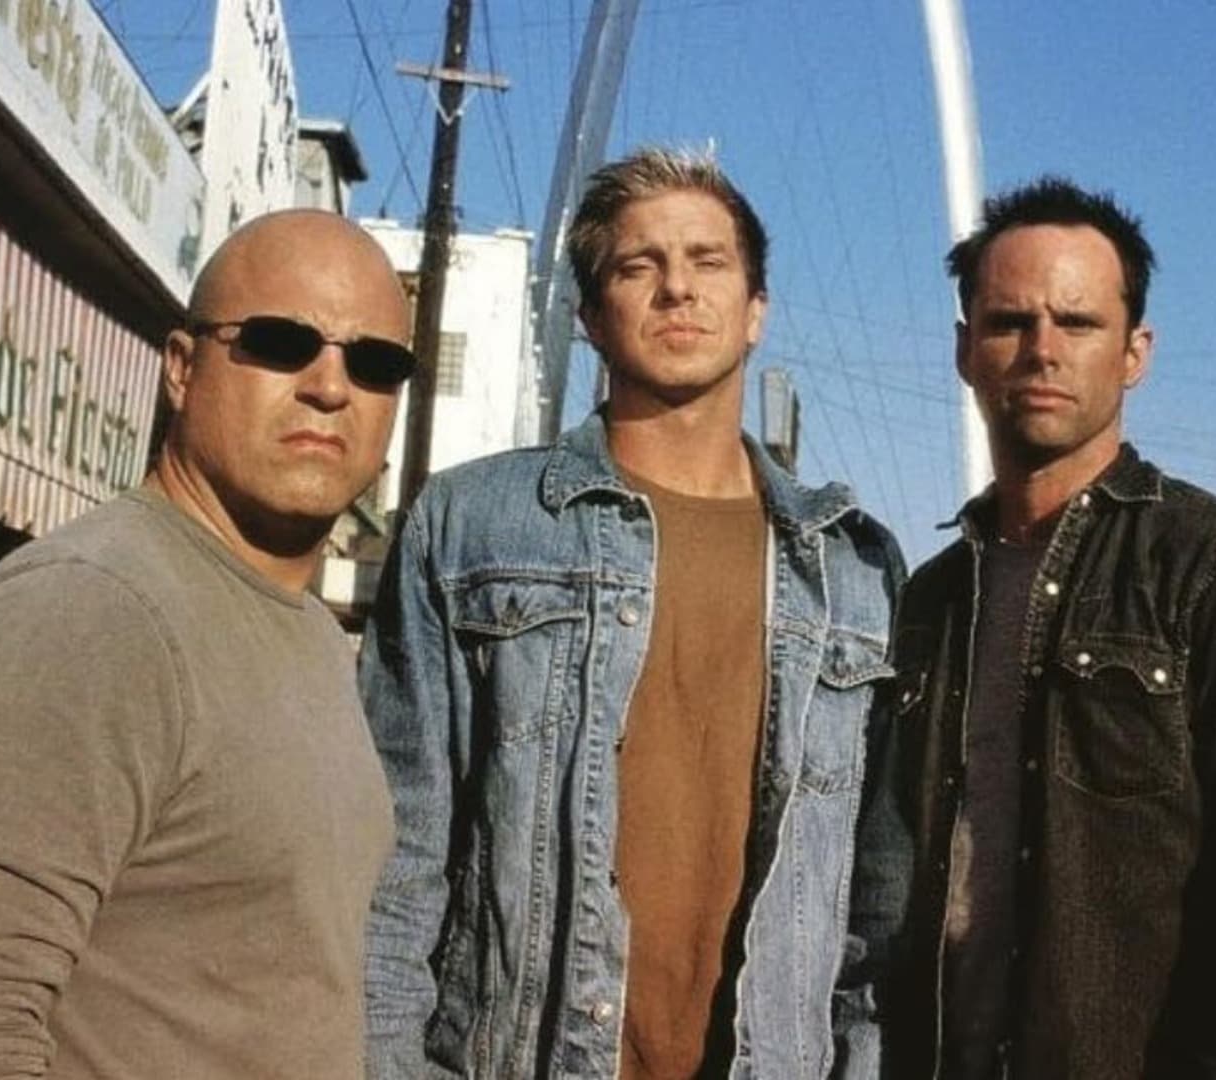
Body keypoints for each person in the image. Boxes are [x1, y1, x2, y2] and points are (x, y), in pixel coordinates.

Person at [360, 146, 903, 1079]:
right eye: (637, 266)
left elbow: (874, 906)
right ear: (590, 318)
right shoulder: (471, 524)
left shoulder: (853, 566)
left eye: (708, 262)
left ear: (757, 310)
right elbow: (395, 858)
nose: (677, 289)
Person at [0, 209, 414, 1078]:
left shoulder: (310, 633)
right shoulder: (90, 611)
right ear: (181, 368)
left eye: (376, 363)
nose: (330, 386)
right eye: (280, 342)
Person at [854, 177, 1216, 1078]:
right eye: (1010, 323)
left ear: (1134, 353)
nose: (1042, 350)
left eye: (1077, 323)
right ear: (965, 350)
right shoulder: (931, 600)